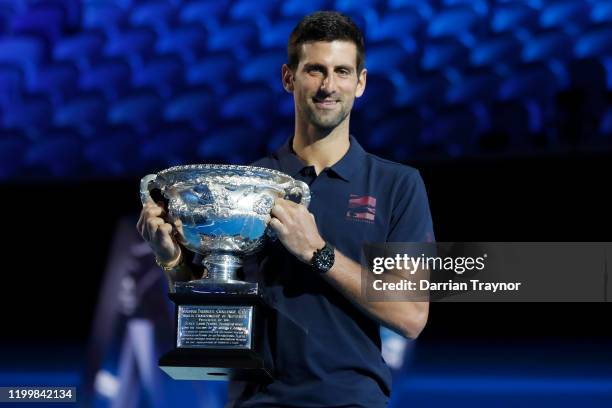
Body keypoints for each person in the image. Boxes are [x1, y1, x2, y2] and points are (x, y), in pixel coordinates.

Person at [137, 11, 435, 408]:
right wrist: (172, 261)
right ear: (288, 78)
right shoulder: (246, 186)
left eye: (342, 71)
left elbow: (412, 315)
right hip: (257, 402)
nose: (329, 86)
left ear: (360, 83)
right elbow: (211, 309)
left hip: (350, 400)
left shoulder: (397, 184)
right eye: (315, 70)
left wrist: (318, 253)